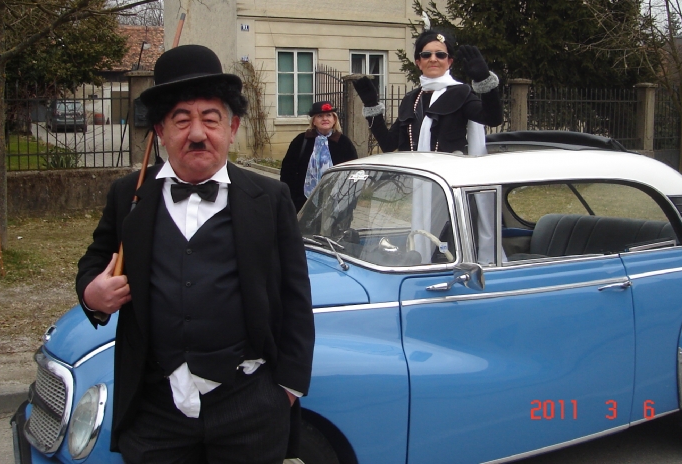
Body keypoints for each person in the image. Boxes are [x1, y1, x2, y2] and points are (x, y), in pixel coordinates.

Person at [75, 44, 314, 464]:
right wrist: (92, 295)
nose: (198, 133)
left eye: (211, 118)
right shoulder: (129, 196)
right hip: (155, 412)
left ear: (232, 126)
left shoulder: (271, 198)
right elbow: (95, 263)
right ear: (160, 130)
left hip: (250, 406)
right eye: (182, 120)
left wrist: (287, 389)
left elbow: (296, 296)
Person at [352, 28, 503, 153]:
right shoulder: (411, 99)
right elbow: (388, 144)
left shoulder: (461, 93)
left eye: (440, 54)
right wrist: (371, 106)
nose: (433, 59)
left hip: (448, 175)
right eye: (426, 55)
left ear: (449, 62)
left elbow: (493, 119)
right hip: (415, 175)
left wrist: (484, 81)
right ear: (418, 62)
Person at [280, 101, 359, 211]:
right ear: (314, 121)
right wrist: (289, 199)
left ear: (334, 119)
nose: (325, 119)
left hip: (337, 203)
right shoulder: (301, 140)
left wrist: (350, 202)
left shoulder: (344, 143)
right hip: (303, 203)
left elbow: (353, 173)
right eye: (320, 116)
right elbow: (287, 171)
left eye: (329, 115)